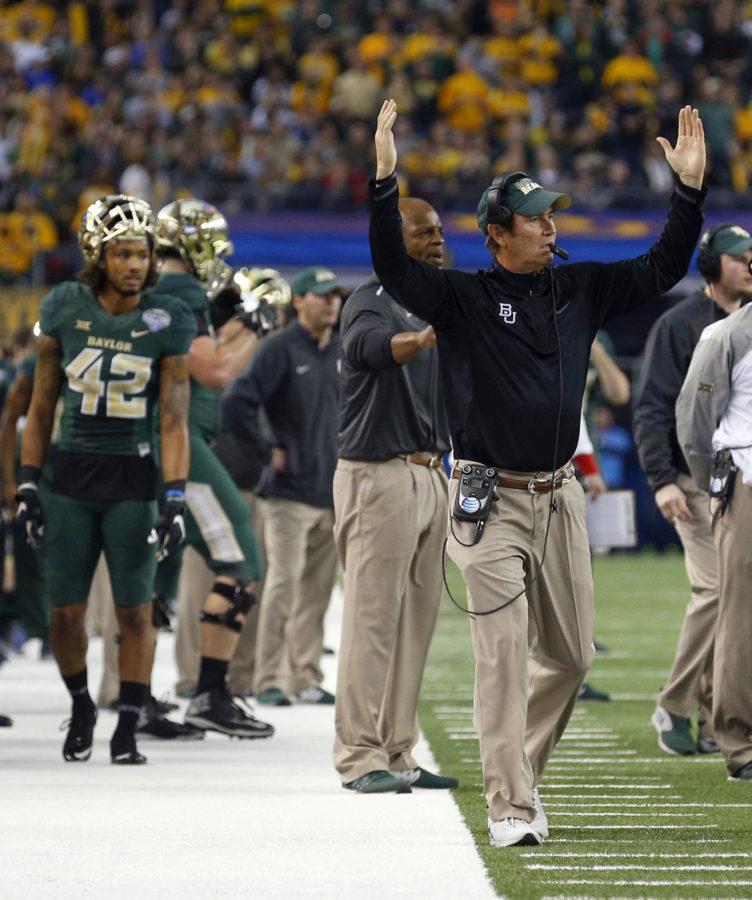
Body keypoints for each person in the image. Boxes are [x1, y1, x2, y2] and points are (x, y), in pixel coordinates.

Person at [370, 100, 706, 844]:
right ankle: (509, 806)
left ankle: (517, 770)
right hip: (487, 502)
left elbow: (664, 266)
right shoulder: (459, 299)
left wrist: (687, 193)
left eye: (552, 215)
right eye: (534, 217)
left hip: (561, 498)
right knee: (503, 656)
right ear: (496, 234)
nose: (550, 225)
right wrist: (383, 182)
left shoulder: (582, 287)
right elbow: (392, 264)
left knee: (572, 656)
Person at [15, 194, 195, 764]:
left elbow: (173, 417)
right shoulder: (66, 305)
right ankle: (81, 704)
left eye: (142, 254)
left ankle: (128, 723)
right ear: (99, 254)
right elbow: (42, 406)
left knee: (134, 610)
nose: (136, 265)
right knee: (64, 612)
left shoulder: (166, 318)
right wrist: (26, 481)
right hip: (70, 477)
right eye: (122, 253)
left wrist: (175, 494)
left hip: (132, 478)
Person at [333, 196, 458, 795]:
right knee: (372, 620)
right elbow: (364, 349)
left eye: (439, 231)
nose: (437, 239)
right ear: (393, 238)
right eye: (423, 232)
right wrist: (419, 341)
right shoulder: (369, 300)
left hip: (432, 472)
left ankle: (398, 750)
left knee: (416, 624)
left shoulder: (438, 299)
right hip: (377, 474)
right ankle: (358, 757)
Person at [151, 200, 273, 739]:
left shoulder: (163, 291)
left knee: (143, 575)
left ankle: (134, 699)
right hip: (180, 441)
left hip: (150, 440)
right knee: (242, 559)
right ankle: (210, 692)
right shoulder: (179, 292)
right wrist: (253, 324)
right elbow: (217, 369)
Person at [634, 224, 752, 756]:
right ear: (710, 265)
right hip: (697, 479)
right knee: (716, 591)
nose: (748, 263)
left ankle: (710, 715)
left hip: (734, 479)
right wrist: (662, 481)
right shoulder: (680, 325)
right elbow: (656, 407)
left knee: (732, 597)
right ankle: (675, 703)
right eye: (738, 257)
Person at [223, 266, 342, 707]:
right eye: (321, 295)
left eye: (335, 296)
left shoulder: (342, 349)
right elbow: (237, 401)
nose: (331, 302)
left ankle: (304, 676)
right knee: (283, 585)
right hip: (288, 494)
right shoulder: (280, 347)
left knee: (318, 592)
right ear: (299, 302)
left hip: (331, 490)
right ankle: (268, 677)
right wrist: (265, 449)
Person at [676, 301, 752, 782]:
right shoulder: (724, 336)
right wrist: (715, 485)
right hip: (747, 480)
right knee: (742, 616)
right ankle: (739, 739)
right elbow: (694, 418)